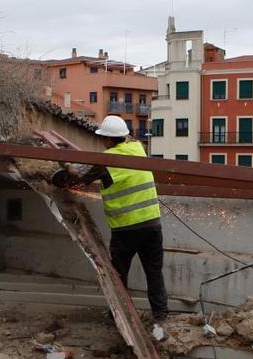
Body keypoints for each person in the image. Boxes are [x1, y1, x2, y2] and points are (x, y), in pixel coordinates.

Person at [52, 115, 169, 321]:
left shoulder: (105, 161)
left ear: (106, 140)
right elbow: (130, 140)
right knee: (154, 272)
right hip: (152, 224)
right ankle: (160, 315)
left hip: (126, 229)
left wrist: (65, 170)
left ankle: (120, 314)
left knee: (119, 274)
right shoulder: (139, 149)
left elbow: (79, 178)